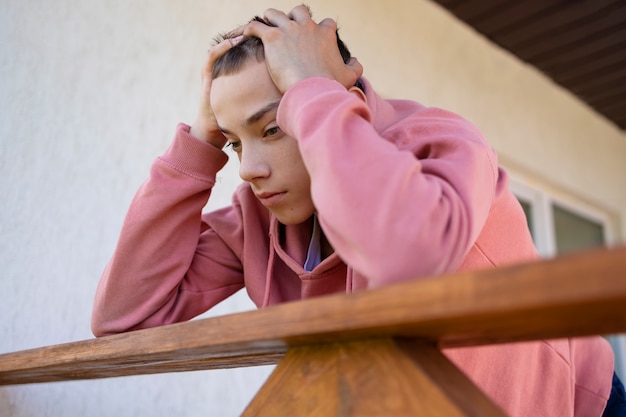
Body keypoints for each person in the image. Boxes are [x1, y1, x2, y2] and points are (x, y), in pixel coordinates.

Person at [91, 5, 622, 416]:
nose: (248, 169)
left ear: (334, 91)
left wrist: (312, 91)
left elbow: (405, 256)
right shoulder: (259, 216)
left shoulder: (439, 143)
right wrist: (199, 145)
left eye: (272, 128)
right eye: (234, 142)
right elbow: (123, 318)